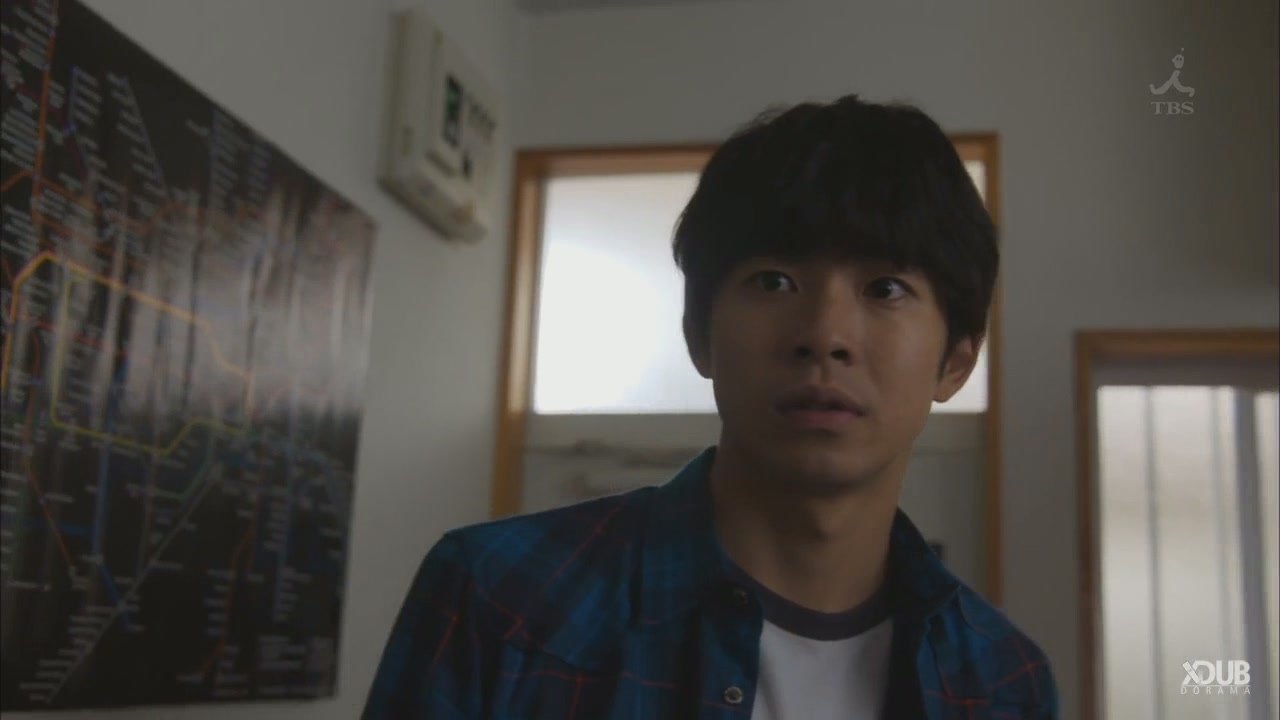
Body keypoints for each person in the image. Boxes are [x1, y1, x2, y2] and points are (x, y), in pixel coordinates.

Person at [363, 95, 1059, 719]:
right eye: (774, 280)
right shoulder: (500, 599)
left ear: (956, 361)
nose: (825, 334)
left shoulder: (1003, 682)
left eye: (885, 289)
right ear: (700, 336)